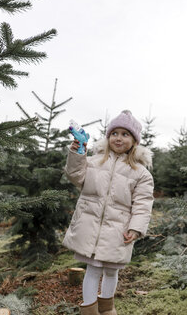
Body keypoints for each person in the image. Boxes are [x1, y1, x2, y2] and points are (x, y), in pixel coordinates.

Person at [63, 110, 154, 315]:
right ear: (108, 137)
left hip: (118, 229)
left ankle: (107, 307)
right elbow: (75, 175)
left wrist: (136, 229)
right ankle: (89, 311)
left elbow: (143, 204)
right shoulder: (95, 161)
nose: (118, 138)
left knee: (111, 271)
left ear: (134, 141)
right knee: (93, 269)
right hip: (91, 225)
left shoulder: (141, 173)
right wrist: (77, 154)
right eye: (114, 133)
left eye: (125, 134)